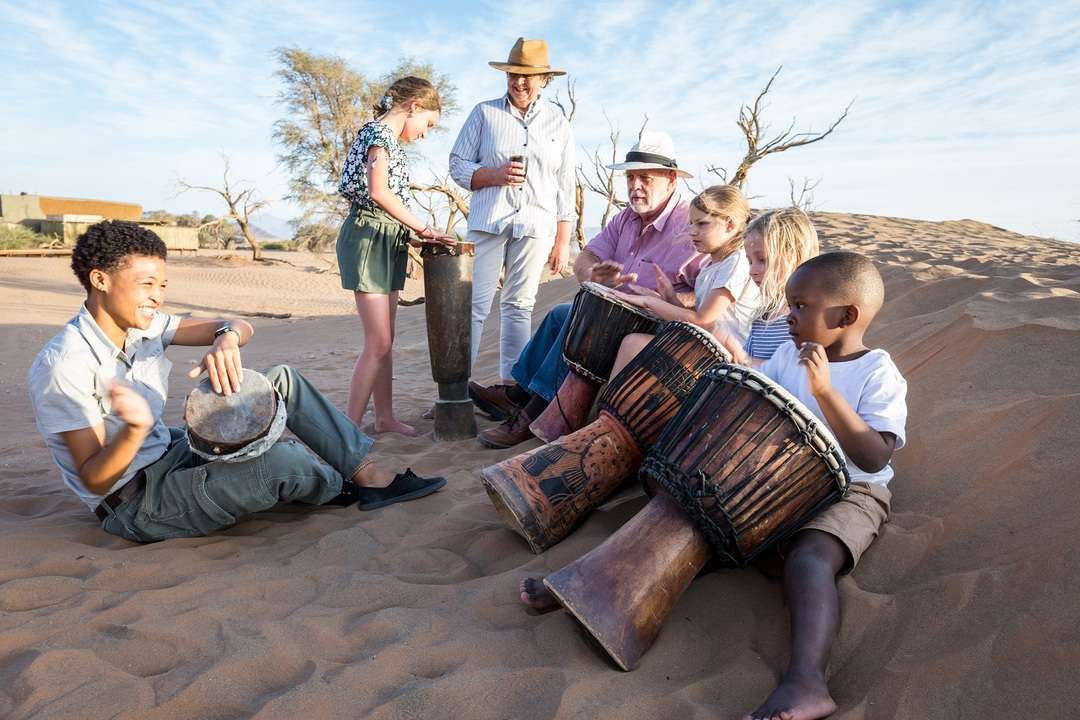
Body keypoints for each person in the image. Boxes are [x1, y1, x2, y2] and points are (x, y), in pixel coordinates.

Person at [524, 251, 908, 720]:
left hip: (852, 488)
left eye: (801, 306)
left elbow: (874, 454)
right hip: (777, 477)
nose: (788, 315)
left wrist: (825, 391)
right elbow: (756, 397)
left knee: (810, 561)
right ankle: (587, 584)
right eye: (789, 303)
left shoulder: (878, 371)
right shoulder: (788, 353)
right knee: (689, 510)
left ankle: (807, 681)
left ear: (846, 316)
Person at [28, 221, 447, 543]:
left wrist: (226, 338)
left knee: (281, 379)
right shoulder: (64, 363)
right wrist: (134, 429)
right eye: (146, 285)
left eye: (162, 285)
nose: (157, 297)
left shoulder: (146, 325)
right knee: (284, 463)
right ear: (100, 280)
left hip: (173, 454)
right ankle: (333, 484)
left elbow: (237, 324)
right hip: (138, 504)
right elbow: (94, 480)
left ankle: (368, 475)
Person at [469, 130, 707, 448]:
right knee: (559, 314)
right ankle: (517, 395)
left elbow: (707, 298)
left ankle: (531, 415)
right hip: (613, 315)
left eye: (645, 179)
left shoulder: (691, 226)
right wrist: (594, 275)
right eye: (631, 178)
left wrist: (666, 299)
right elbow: (585, 258)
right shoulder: (625, 219)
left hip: (658, 328)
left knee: (580, 319)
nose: (635, 187)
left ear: (671, 179)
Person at [449, 37, 576, 382]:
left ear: (543, 79)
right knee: (473, 307)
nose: (519, 82)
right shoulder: (484, 113)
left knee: (519, 307)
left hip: (536, 225)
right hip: (489, 220)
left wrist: (563, 241)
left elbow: (565, 185)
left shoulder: (558, 124)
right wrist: (492, 175)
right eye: (513, 75)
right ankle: (456, 391)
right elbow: (457, 162)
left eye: (527, 76)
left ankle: (510, 390)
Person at [337, 76, 455, 437]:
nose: (424, 134)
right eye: (428, 125)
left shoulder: (387, 141)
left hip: (389, 238)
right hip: (370, 237)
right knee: (379, 341)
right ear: (414, 107)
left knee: (386, 339)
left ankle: (384, 416)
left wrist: (414, 236)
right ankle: (348, 432)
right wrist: (424, 228)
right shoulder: (378, 136)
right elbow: (379, 192)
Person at [604, 184, 759, 376]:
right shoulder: (711, 266)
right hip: (705, 349)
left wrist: (649, 302)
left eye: (702, 224)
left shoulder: (736, 263)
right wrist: (668, 297)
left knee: (633, 344)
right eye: (691, 224)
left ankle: (607, 406)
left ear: (729, 224)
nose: (692, 231)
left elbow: (702, 321)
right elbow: (700, 321)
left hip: (725, 359)